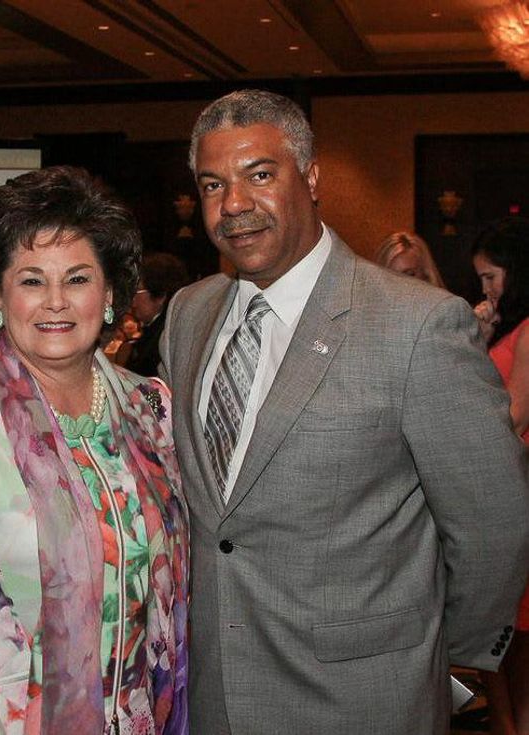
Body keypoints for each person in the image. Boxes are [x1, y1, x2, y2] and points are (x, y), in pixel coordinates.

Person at [159, 89, 528, 734]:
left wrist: (449, 672)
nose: (235, 205)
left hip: (365, 702)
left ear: (312, 177)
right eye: (213, 184)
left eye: (260, 175)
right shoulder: (189, 315)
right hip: (214, 694)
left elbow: (493, 525)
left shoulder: (418, 325)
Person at [0, 166, 188, 735]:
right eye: (31, 280)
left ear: (109, 296)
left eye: (77, 278)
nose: (56, 301)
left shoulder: (148, 407)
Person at [472, 216, 529, 735]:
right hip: (507, 487)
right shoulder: (510, 327)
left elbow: (515, 415)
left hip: (520, 489)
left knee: (520, 637)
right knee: (504, 637)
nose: (486, 288)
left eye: (492, 277)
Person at [127, 252, 190, 376]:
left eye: (137, 291)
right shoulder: (160, 326)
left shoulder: (164, 337)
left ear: (160, 296)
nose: (132, 301)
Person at [375, 230, 446, 288]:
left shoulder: (445, 304)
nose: (399, 283)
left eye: (409, 274)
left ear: (426, 275)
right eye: (390, 277)